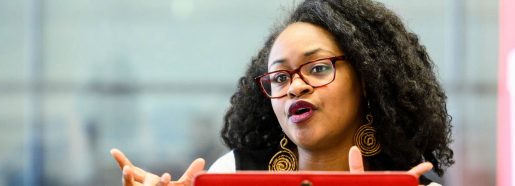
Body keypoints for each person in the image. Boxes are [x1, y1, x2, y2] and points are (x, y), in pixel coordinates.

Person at [110, 0, 454, 185]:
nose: (295, 86)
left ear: (366, 78)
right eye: (279, 78)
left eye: (318, 67)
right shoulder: (233, 175)